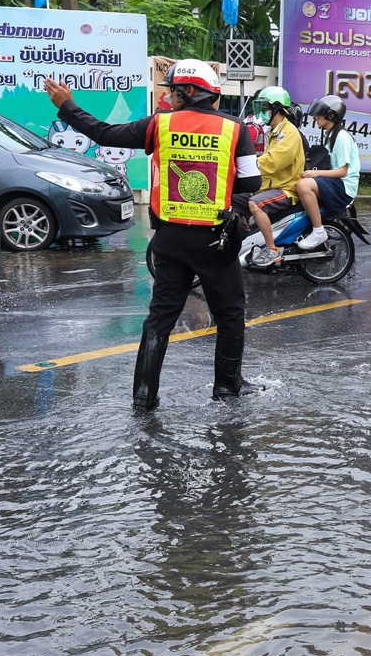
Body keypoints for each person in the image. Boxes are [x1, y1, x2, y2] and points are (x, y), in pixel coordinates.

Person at [44, 61, 263, 409]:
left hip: (170, 240)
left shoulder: (159, 124)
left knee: (160, 319)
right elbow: (252, 183)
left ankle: (144, 396)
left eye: (172, 89)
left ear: (189, 91)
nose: (167, 95)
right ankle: (226, 388)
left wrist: (67, 107)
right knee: (231, 316)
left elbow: (104, 134)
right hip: (215, 240)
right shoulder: (235, 129)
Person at [247, 87, 305, 267]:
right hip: (271, 186)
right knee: (235, 198)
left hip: (286, 188)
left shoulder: (289, 132)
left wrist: (250, 165)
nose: (261, 113)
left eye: (265, 108)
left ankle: (272, 249)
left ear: (278, 110)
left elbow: (273, 162)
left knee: (255, 204)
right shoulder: (274, 131)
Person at [295, 95, 359, 249]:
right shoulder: (330, 135)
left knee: (304, 186)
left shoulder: (341, 137)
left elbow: (343, 171)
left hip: (344, 186)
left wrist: (316, 174)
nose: (316, 117)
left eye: (319, 113)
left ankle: (318, 232)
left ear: (331, 115)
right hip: (336, 182)